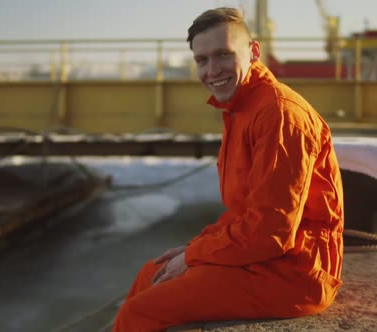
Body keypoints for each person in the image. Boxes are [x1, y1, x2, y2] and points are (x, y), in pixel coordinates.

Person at [113, 7, 344, 332]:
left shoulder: (278, 114)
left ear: (253, 52)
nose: (212, 70)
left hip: (294, 272)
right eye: (201, 59)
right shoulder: (240, 107)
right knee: (151, 272)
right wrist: (196, 248)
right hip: (266, 258)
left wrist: (195, 256)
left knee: (139, 313)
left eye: (223, 54)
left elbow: (269, 232)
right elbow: (244, 211)